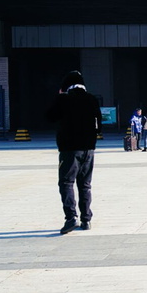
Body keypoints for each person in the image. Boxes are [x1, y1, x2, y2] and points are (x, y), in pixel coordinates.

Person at [46, 70, 102, 234]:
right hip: (89, 149)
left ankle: (71, 217)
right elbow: (99, 124)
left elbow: (49, 117)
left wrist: (59, 97)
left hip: (69, 149)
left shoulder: (64, 99)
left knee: (66, 182)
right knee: (85, 184)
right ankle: (86, 219)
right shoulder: (92, 99)